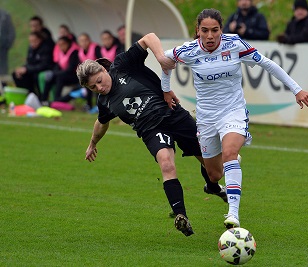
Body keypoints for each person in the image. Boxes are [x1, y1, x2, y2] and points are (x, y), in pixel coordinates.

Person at [162, 8, 308, 229]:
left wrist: (297, 90)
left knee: (230, 153)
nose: (210, 36)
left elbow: (267, 64)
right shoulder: (188, 50)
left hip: (233, 111)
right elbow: (165, 61)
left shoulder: (234, 44)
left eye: (215, 30)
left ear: (221, 30)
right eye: (204, 30)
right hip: (206, 118)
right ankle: (229, 166)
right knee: (214, 175)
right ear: (197, 31)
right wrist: (166, 90)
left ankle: (233, 214)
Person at [76, 33, 227, 237]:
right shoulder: (105, 102)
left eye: (99, 81)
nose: (100, 88)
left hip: (173, 114)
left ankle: (212, 186)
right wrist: (92, 143)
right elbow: (101, 123)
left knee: (213, 169)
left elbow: (149, 37)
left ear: (104, 70)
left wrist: (161, 58)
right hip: (151, 131)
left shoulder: (122, 64)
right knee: (166, 163)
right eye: (93, 87)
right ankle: (181, 216)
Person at [12, 31, 54, 96]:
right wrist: (23, 68)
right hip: (32, 69)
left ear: (40, 39)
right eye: (31, 41)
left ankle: (39, 97)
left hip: (44, 69)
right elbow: (29, 62)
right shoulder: (31, 48)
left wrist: (27, 69)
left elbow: (44, 65)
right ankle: (27, 95)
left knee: (36, 76)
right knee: (16, 74)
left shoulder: (46, 48)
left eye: (35, 41)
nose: (32, 43)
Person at [41, 36, 80, 103]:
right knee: (50, 77)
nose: (61, 46)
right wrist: (54, 73)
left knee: (59, 77)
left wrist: (57, 73)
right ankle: (43, 99)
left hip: (75, 76)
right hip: (64, 74)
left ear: (68, 43)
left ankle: (57, 100)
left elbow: (70, 69)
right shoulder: (60, 53)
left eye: (63, 44)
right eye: (59, 45)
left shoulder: (74, 52)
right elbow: (57, 66)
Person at [0, 8, 16, 75]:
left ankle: (3, 82)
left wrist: (7, 44)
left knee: (2, 68)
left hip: (2, 47)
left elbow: (11, 31)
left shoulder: (5, 15)